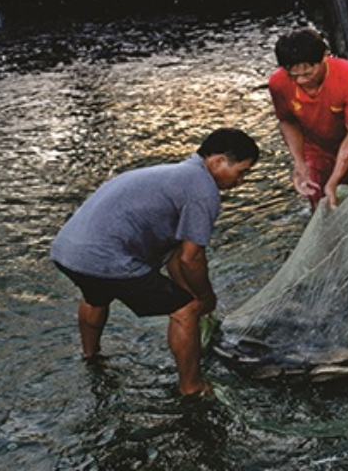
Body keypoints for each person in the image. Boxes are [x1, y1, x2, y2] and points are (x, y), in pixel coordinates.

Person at [51, 128, 260, 397]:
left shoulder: (168, 175)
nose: (240, 181)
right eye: (241, 172)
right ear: (218, 161)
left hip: (68, 253)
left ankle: (91, 356)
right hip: (107, 258)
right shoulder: (202, 190)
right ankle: (192, 387)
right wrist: (205, 298)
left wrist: (191, 290)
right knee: (184, 310)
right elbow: (191, 257)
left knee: (96, 297)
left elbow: (175, 257)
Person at [269, 28, 348, 210]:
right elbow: (288, 121)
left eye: (308, 73)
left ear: (324, 57)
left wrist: (334, 179)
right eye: (293, 76)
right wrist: (299, 162)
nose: (301, 81)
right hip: (319, 146)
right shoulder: (278, 83)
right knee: (316, 194)